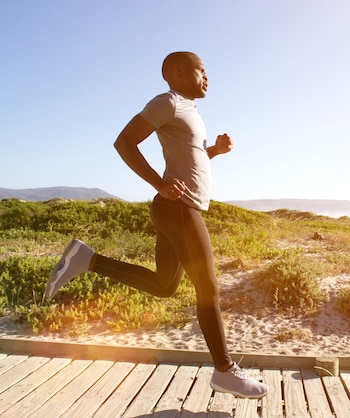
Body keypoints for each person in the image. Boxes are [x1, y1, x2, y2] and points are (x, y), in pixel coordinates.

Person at [45, 51, 268, 399]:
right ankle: (225, 371)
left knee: (165, 285)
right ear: (178, 72)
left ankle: (87, 260)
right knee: (207, 286)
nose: (208, 77)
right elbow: (124, 142)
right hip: (179, 208)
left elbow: (190, 158)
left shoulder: (189, 111)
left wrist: (215, 152)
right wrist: (158, 183)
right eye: (201, 70)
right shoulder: (167, 102)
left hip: (175, 208)